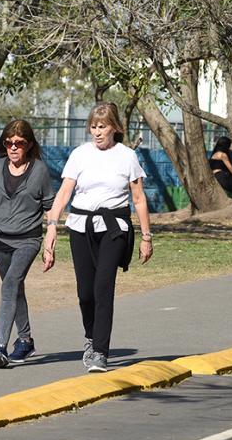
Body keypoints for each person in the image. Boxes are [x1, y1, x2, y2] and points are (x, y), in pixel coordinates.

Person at [43, 102, 153, 373]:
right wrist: (52, 226)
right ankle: (91, 338)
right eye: (93, 126)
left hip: (114, 228)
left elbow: (138, 199)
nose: (97, 131)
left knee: (103, 286)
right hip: (81, 227)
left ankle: (101, 351)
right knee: (85, 293)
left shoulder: (127, 156)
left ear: (115, 127)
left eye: (102, 126)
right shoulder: (80, 154)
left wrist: (147, 237)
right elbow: (64, 193)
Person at [0, 119, 55, 369]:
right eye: (9, 143)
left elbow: (50, 208)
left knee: (9, 287)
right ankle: (25, 340)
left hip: (28, 239)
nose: (13, 147)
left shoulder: (39, 170)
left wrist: (50, 242)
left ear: (28, 145)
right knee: (14, 289)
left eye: (19, 143)